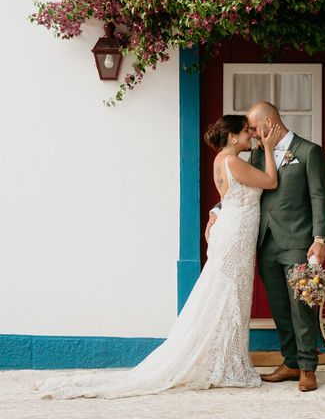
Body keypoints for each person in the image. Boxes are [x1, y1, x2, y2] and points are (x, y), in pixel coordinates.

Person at [36, 115, 280, 399]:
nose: (252, 135)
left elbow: (228, 200)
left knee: (227, 297)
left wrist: (214, 214)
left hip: (233, 233)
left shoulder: (221, 160)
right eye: (247, 131)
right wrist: (270, 148)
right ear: (233, 137)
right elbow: (271, 181)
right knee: (229, 297)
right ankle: (226, 363)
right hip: (236, 237)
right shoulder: (234, 161)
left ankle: (225, 360)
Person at [231, 101, 325, 392]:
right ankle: (290, 362)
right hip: (266, 243)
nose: (252, 134)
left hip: (298, 241)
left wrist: (320, 239)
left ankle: (308, 367)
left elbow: (318, 198)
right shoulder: (259, 154)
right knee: (279, 306)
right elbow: (244, 188)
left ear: (270, 123)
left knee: (302, 306)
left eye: (254, 128)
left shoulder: (308, 152)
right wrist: (216, 211)